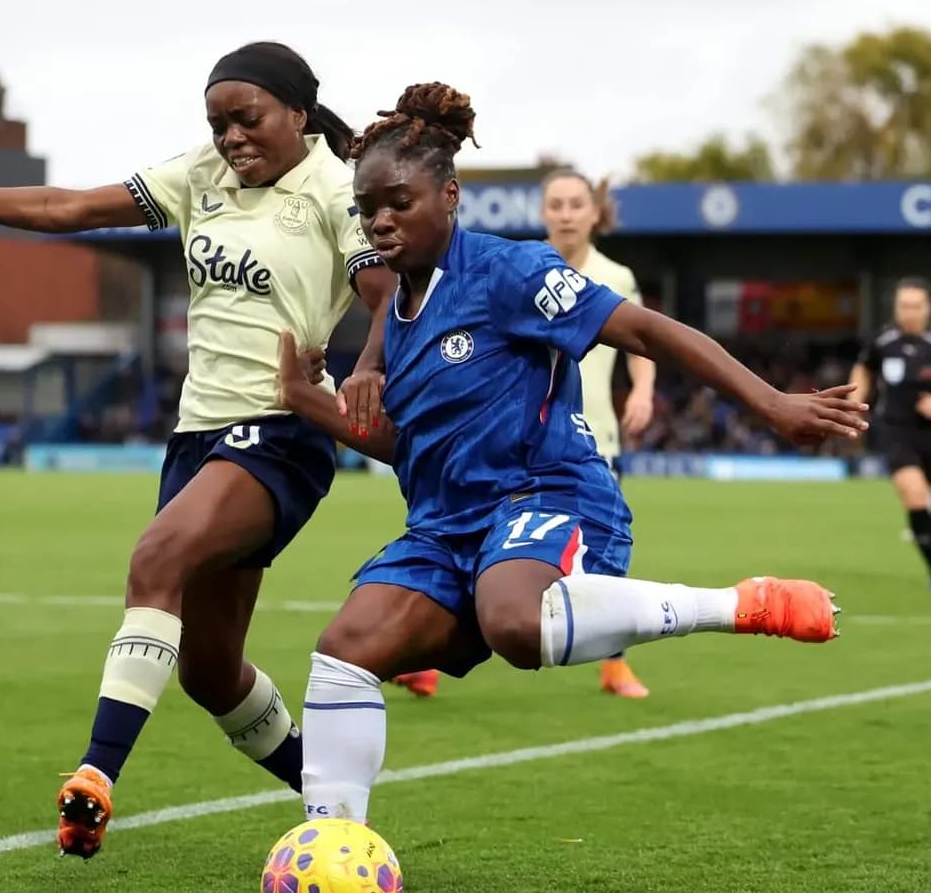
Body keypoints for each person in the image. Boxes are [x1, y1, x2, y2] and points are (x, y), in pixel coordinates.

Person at [0, 42, 397, 859]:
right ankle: (334, 807)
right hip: (196, 438)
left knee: (156, 561)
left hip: (281, 433)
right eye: (217, 124)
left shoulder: (331, 187)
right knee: (212, 672)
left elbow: (384, 289)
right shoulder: (198, 176)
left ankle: (95, 778)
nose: (231, 138)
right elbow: (62, 207)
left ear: (297, 112)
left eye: (246, 119)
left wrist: (366, 367)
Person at [271, 82, 863, 825]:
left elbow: (646, 331)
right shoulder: (399, 316)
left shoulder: (507, 272)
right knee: (344, 649)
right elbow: (406, 446)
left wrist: (772, 403)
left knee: (517, 623)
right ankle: (334, 847)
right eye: (368, 208)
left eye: (401, 201)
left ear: (450, 196)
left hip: (545, 494)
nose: (381, 220)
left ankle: (737, 604)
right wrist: (309, 401)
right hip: (447, 526)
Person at [389, 168, 659, 701]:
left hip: (593, 432)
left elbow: (637, 338)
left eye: (575, 204)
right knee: (471, 540)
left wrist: (645, 392)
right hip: (524, 433)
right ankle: (429, 661)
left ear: (593, 213)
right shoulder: (519, 265)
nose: (564, 214)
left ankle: (614, 663)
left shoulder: (615, 274)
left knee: (596, 551)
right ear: (543, 213)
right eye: (555, 204)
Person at [850, 279, 931, 589]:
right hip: (895, 429)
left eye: (916, 306)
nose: (909, 313)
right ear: (896, 308)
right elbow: (862, 369)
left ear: (928, 309)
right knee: (915, 495)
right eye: (904, 306)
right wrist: (855, 403)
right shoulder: (883, 341)